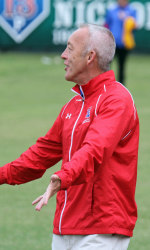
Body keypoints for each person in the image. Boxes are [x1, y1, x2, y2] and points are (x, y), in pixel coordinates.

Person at [0, 24, 139, 250]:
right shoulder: (73, 104)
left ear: (90, 57)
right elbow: (40, 155)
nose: (63, 55)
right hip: (65, 227)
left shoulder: (116, 99)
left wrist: (62, 177)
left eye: (69, 48)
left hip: (101, 229)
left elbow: (94, 150)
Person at [105, 0, 137, 85]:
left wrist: (128, 20)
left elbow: (135, 26)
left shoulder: (131, 11)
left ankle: (120, 86)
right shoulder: (112, 10)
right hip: (112, 42)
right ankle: (106, 84)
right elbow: (106, 24)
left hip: (124, 43)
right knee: (107, 65)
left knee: (122, 66)